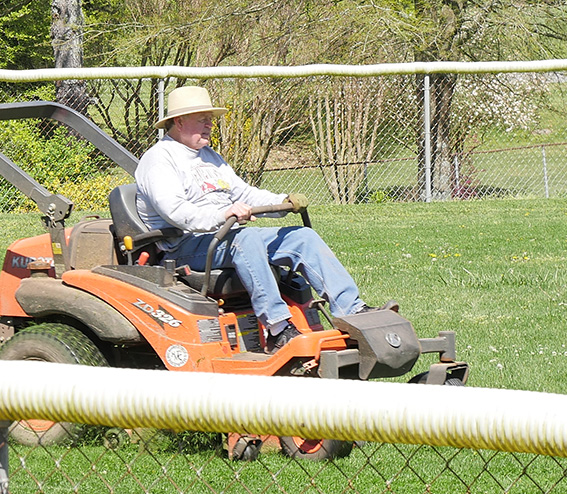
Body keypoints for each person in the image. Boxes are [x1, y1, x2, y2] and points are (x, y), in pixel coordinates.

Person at [134, 86, 397, 353]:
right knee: (245, 239)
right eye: (202, 119)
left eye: (210, 119)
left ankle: (352, 311)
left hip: (226, 237)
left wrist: (283, 202)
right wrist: (223, 214)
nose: (209, 125)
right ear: (179, 121)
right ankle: (278, 327)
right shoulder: (159, 160)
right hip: (185, 247)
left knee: (301, 237)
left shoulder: (210, 157)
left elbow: (245, 193)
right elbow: (178, 213)